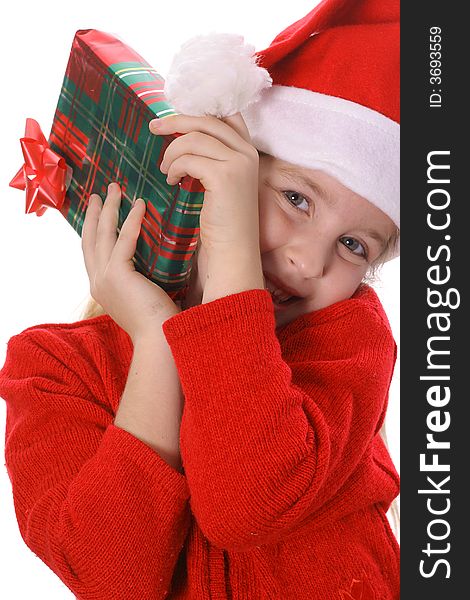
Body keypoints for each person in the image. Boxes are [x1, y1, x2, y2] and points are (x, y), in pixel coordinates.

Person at [0, 1, 400, 599]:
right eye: (295, 199)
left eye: (352, 245)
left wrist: (233, 261)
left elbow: (248, 501)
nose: (308, 262)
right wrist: (158, 345)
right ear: (213, 172)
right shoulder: (57, 369)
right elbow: (112, 580)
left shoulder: (347, 341)